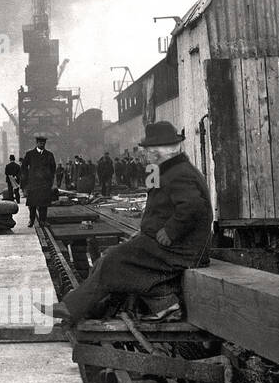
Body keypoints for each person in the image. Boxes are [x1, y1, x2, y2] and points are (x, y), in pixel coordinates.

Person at [38, 121, 212, 324]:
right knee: (108, 257)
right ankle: (98, 309)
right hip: (168, 243)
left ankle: (72, 308)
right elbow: (156, 206)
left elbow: (194, 207)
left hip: (182, 248)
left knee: (114, 260)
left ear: (160, 151)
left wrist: (170, 231)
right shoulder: (160, 170)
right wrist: (144, 231)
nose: (144, 154)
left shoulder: (180, 173)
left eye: (148, 150)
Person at [19, 134, 56, 227]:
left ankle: (43, 220)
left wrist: (50, 179)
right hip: (33, 183)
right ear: (36, 143)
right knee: (32, 203)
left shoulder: (49, 155)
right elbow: (23, 167)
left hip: (44, 183)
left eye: (43, 143)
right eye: (40, 142)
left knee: (44, 203)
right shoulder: (30, 154)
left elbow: (53, 168)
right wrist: (27, 178)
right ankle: (31, 220)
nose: (42, 144)